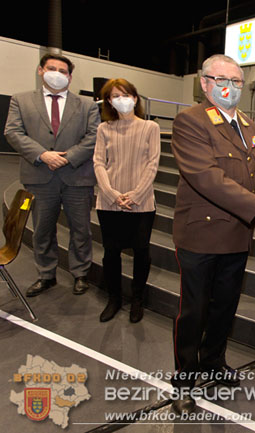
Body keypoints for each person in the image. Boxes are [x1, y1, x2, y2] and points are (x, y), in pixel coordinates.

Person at [170, 54, 255, 415]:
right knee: (193, 312)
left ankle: (214, 362)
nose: (231, 87)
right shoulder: (190, 121)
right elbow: (208, 178)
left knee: (225, 306)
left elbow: (252, 171)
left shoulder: (246, 122)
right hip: (202, 236)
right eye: (222, 80)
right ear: (205, 83)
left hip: (237, 236)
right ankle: (183, 380)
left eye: (238, 82)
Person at [4, 53, 100, 297]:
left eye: (63, 71)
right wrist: (43, 155)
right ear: (40, 70)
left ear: (69, 76)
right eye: (51, 68)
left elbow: (93, 136)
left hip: (77, 177)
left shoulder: (87, 105)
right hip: (39, 175)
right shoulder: (21, 100)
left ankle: (80, 273)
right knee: (42, 229)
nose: (57, 74)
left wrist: (67, 157)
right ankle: (46, 274)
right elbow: (13, 132)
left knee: (81, 230)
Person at [93, 78, 160, 323]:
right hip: (109, 203)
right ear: (109, 101)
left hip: (141, 203)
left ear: (135, 98)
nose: (121, 99)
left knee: (141, 252)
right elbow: (99, 162)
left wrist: (135, 195)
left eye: (126, 94)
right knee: (111, 253)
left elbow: (152, 164)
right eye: (115, 96)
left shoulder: (150, 128)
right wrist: (112, 194)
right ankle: (114, 298)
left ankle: (137, 299)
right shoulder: (104, 129)